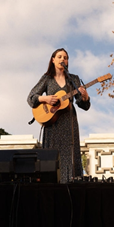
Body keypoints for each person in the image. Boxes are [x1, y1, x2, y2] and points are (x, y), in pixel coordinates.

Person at [27, 48, 90, 183]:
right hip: (52, 124)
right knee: (52, 156)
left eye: (65, 57)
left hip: (69, 122)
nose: (63, 59)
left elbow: (83, 106)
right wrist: (46, 99)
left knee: (71, 154)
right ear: (53, 60)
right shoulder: (47, 79)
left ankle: (71, 183)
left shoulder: (73, 79)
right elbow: (31, 97)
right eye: (60, 57)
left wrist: (84, 98)